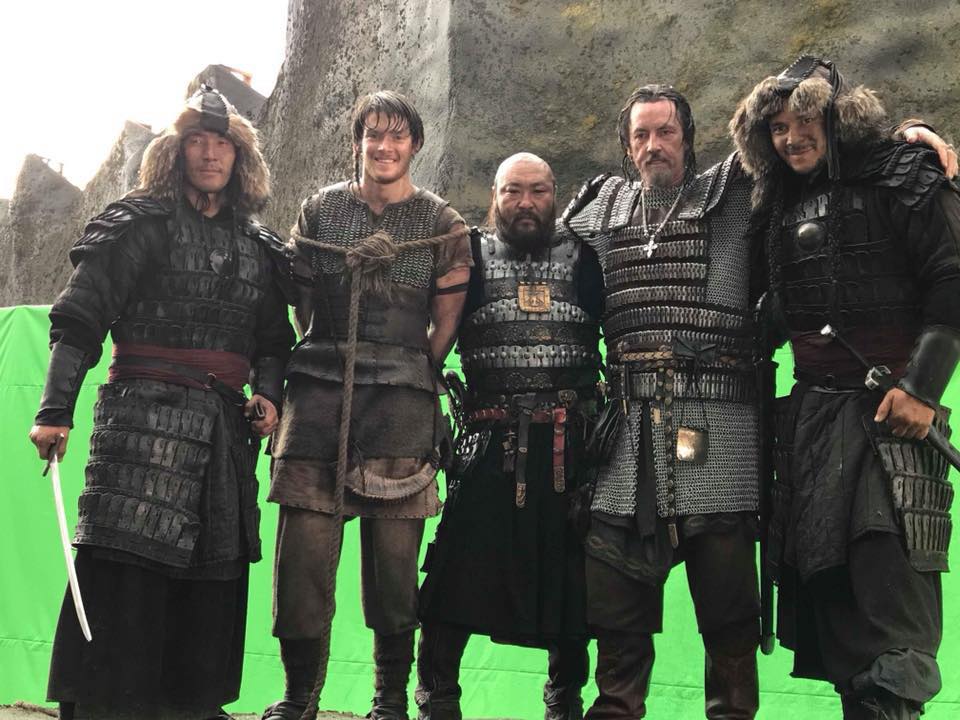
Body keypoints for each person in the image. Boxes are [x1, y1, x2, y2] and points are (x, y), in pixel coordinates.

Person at [563, 83, 955, 719]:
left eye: (666, 131)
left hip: (723, 432)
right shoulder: (598, 209)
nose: (653, 144)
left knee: (735, 617)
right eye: (641, 134)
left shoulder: (736, 192)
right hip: (633, 435)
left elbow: (831, 151)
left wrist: (911, 135)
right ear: (626, 145)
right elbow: (537, 252)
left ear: (689, 138)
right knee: (618, 614)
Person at [27, 85, 295, 720]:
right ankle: (106, 704)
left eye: (222, 143)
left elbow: (272, 340)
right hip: (138, 424)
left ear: (240, 156)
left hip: (223, 430)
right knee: (128, 555)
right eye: (197, 141)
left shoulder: (258, 246)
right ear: (176, 152)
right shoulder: (138, 226)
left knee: (214, 565)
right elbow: (81, 319)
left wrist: (267, 393)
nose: (210, 154)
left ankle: (191, 706)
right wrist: (54, 410)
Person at [730, 55, 960, 719]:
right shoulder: (775, 200)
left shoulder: (902, 172)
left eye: (803, 121)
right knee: (832, 597)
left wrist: (921, 389)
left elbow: (952, 276)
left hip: (891, 415)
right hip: (811, 420)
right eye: (776, 127)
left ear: (836, 116)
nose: (790, 137)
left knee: (890, 589)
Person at [263, 90, 473, 720]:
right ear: (356, 143)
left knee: (393, 570)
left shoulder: (442, 222)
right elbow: (302, 308)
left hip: (402, 408)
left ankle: (390, 700)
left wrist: (407, 372)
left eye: (397, 135)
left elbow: (445, 325)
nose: (384, 147)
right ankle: (299, 697)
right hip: (317, 401)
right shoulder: (320, 212)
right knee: (301, 564)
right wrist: (333, 357)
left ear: (415, 144)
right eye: (372, 135)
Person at [415, 153, 604, 720]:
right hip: (488, 443)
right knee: (452, 579)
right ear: (494, 195)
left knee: (572, 584)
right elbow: (431, 335)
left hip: (569, 450)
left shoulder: (586, 258)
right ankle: (437, 701)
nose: (526, 203)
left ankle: (564, 703)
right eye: (513, 191)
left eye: (538, 191)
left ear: (555, 193)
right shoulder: (468, 257)